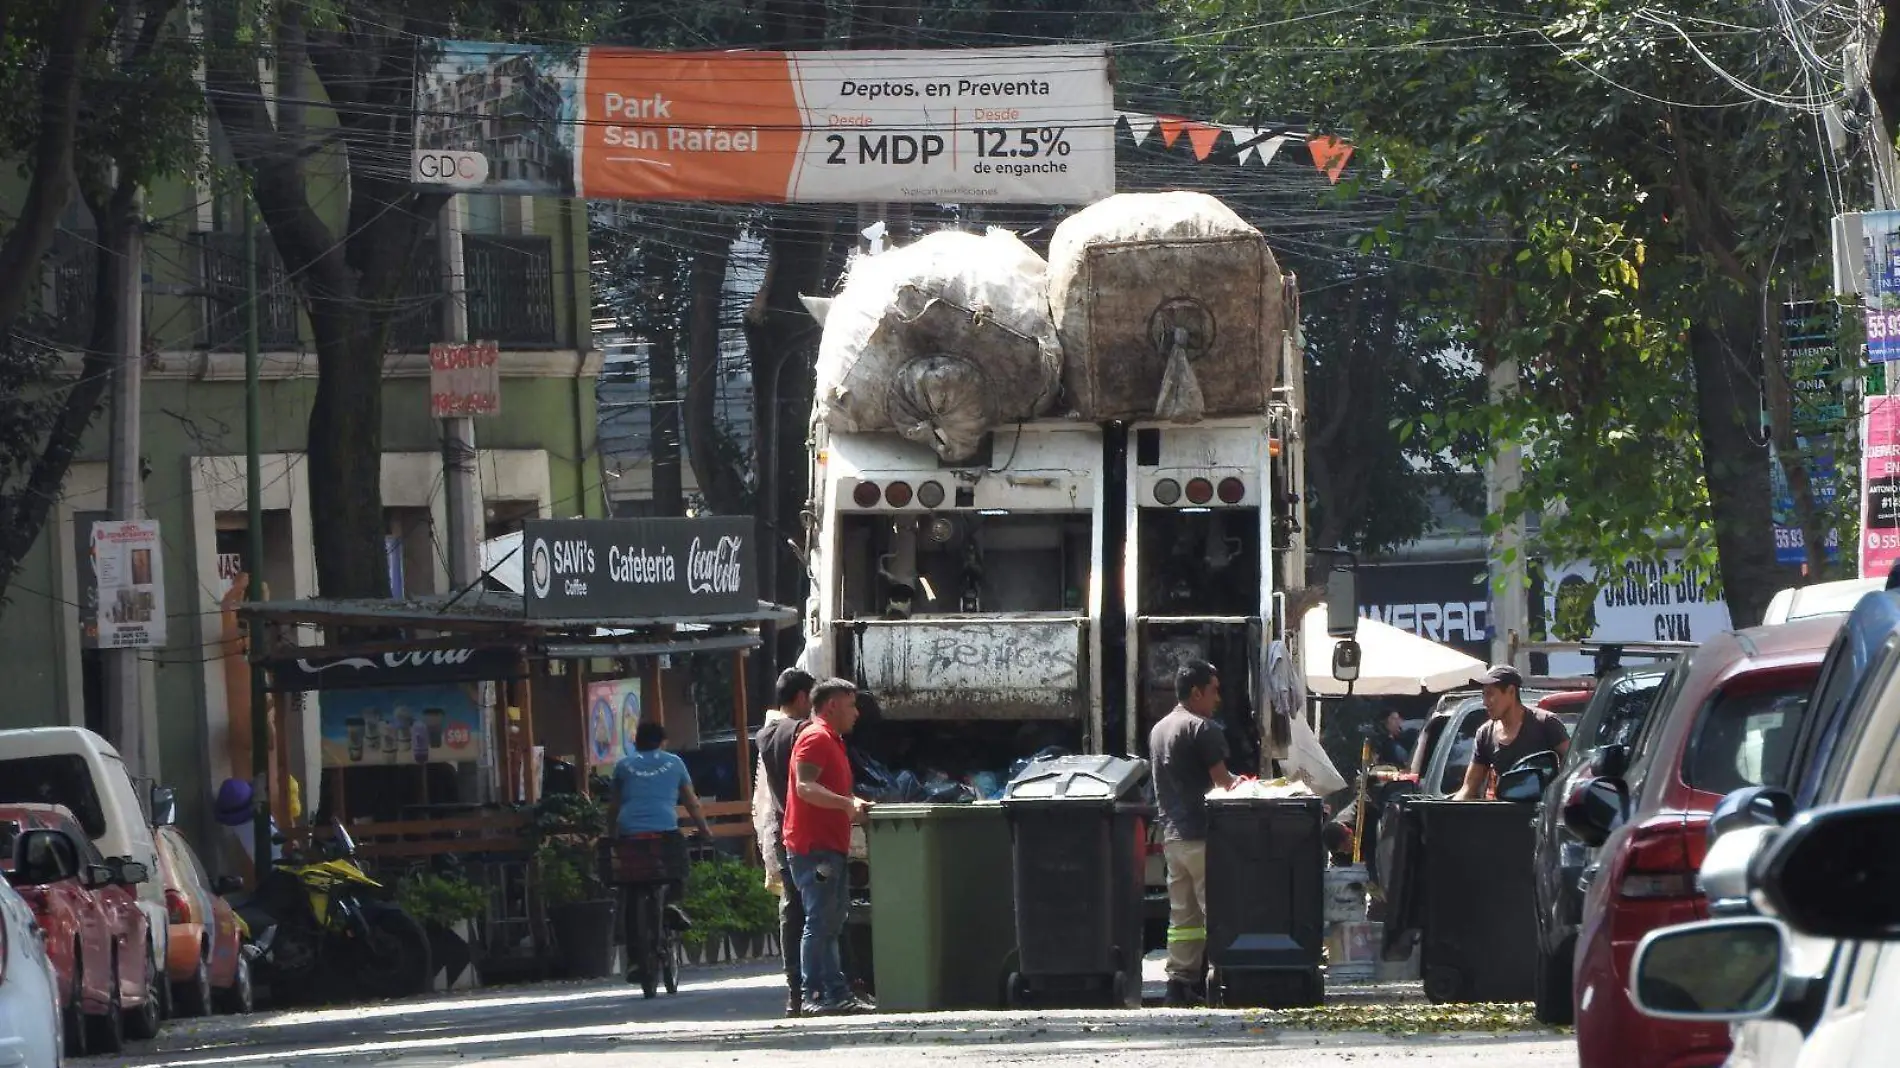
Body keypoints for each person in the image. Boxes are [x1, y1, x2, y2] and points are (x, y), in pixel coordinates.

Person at [1149, 658, 1236, 1007]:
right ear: (1197, 691)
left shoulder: (1159, 729)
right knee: (1218, 908)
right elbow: (1223, 784)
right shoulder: (1203, 729)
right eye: (1214, 691)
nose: (1217, 699)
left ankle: (1179, 984)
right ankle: (1223, 977)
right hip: (1203, 835)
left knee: (1183, 915)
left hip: (1172, 837)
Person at [784, 678, 873, 1015]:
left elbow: (823, 790)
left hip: (828, 846)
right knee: (820, 920)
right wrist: (845, 804)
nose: (857, 713)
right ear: (832, 705)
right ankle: (816, 994)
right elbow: (804, 787)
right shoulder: (815, 738)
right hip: (814, 849)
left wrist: (851, 802)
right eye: (851, 705)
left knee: (832, 920)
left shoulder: (832, 740)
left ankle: (835, 992)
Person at [609, 721, 714, 982]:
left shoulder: (623, 765)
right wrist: (704, 830)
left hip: (630, 833)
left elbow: (613, 806)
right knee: (677, 868)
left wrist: (610, 835)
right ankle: (670, 905)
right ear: (663, 742)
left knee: (631, 888)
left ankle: (635, 962)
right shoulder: (675, 763)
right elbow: (691, 801)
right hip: (664, 831)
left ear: (636, 743)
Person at [752, 668, 816, 1016]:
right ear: (802, 698)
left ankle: (795, 990)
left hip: (780, 832)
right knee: (821, 910)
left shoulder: (765, 735)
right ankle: (821, 986)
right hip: (808, 831)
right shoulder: (804, 732)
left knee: (792, 908)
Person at [1453, 665, 1571, 800]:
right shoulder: (1485, 733)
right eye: (1483, 695)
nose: (1485, 702)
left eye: (1490, 694)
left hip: (1541, 813)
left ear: (1511, 691)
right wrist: (1447, 814)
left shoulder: (1545, 723)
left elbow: (1575, 767)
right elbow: (1468, 788)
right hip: (1504, 816)